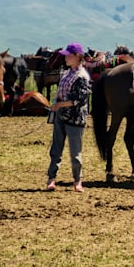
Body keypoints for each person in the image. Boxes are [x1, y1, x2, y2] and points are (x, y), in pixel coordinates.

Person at [46, 42, 92, 192]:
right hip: (61, 116)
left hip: (75, 118)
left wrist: (59, 105)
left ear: (77, 57)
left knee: (75, 151)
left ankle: (78, 180)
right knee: (56, 148)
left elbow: (79, 100)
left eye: (68, 56)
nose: (65, 58)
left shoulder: (82, 76)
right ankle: (51, 179)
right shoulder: (67, 73)